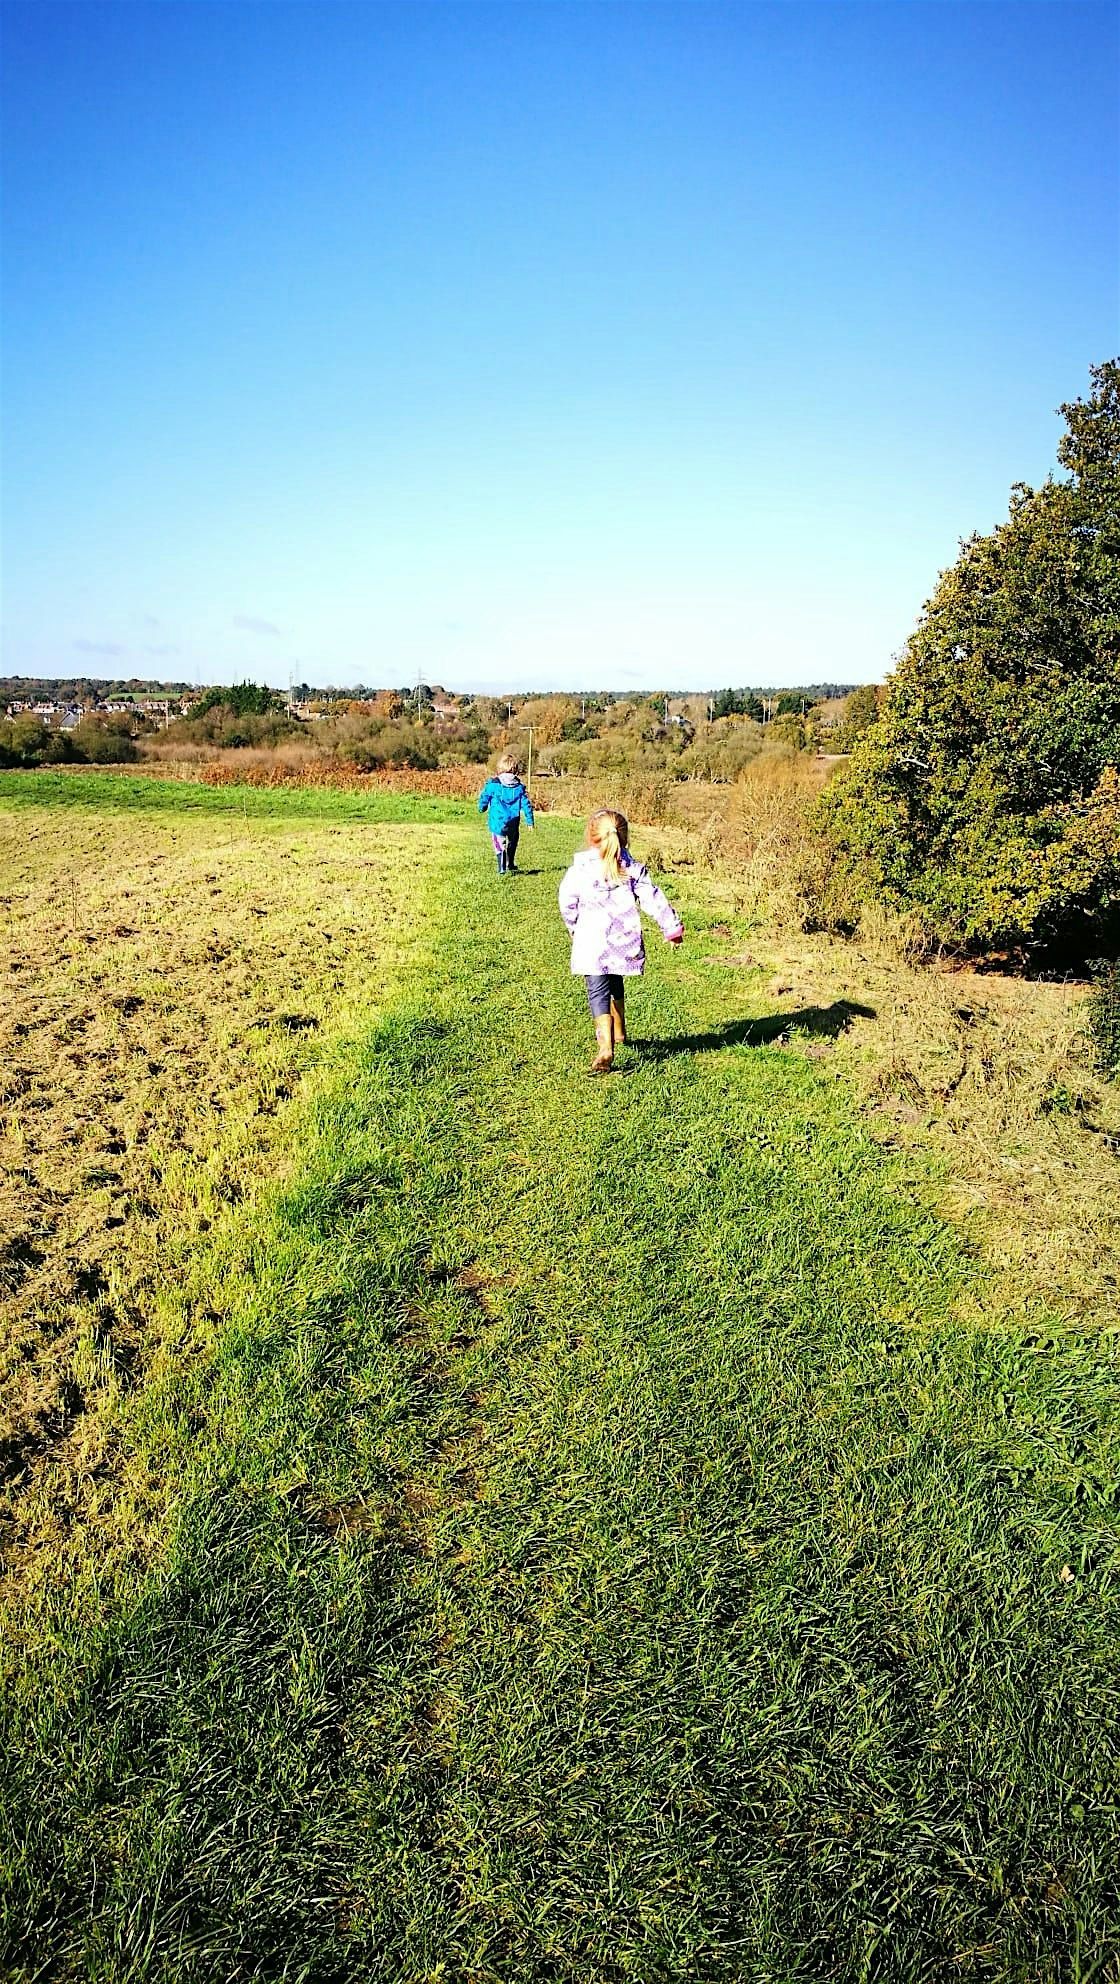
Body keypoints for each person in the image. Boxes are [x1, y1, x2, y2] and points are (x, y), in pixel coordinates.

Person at [559, 808, 683, 1074]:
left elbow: (567, 901)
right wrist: (671, 928)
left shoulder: (580, 870)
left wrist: (573, 927)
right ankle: (620, 1031)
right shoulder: (633, 869)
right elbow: (653, 898)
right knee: (615, 979)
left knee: (597, 990)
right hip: (623, 940)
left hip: (591, 942)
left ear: (591, 837)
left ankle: (605, 1048)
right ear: (624, 838)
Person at [477, 755, 535, 874]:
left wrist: (482, 807)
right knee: (512, 843)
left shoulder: (493, 785)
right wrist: (530, 821)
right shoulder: (519, 787)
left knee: (499, 844)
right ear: (515, 769)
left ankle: (502, 868)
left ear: (500, 768)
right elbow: (526, 805)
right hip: (513, 822)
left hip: (497, 822)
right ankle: (510, 863)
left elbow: (484, 797)